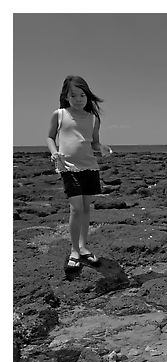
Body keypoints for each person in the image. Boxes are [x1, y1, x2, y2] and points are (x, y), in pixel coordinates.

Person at [46, 75, 113, 271]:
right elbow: (50, 137)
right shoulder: (59, 114)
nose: (78, 99)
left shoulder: (93, 118)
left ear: (88, 96)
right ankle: (74, 250)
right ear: (66, 96)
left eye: (82, 95)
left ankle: (83, 247)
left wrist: (103, 148)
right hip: (68, 167)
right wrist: (54, 153)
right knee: (75, 209)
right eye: (73, 95)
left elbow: (94, 143)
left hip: (90, 167)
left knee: (85, 208)